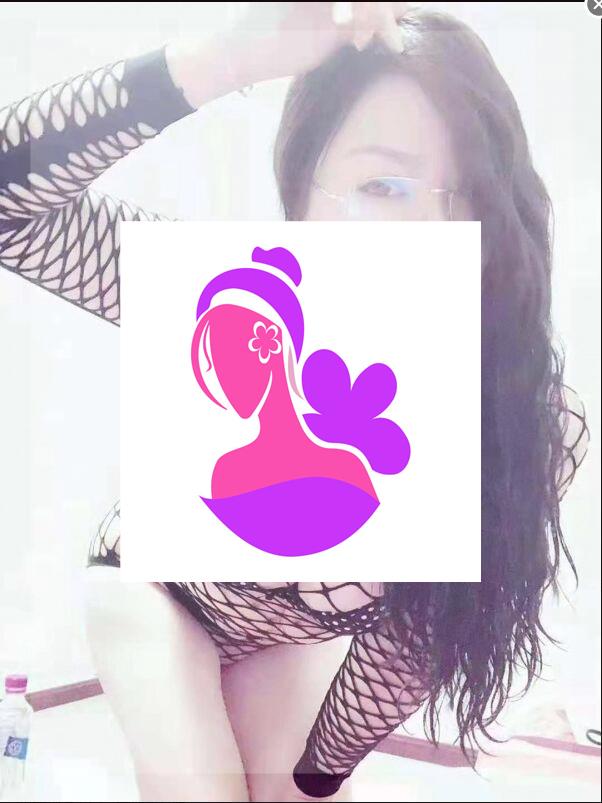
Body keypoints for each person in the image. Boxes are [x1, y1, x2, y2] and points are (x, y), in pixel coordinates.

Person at [0, 4, 590, 802]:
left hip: (293, 633)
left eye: (470, 193)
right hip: (155, 584)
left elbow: (409, 646)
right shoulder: (236, 301)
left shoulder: (528, 416)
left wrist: (315, 782)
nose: (428, 228)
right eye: (382, 184)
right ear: (301, 189)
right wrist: (226, 60)